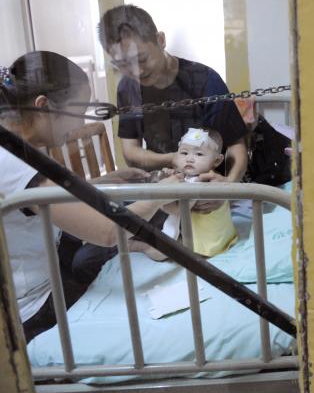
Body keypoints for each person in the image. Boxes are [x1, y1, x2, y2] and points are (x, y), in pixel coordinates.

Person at [0, 51, 182, 341]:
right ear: (44, 106)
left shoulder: (15, 146)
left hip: (52, 268)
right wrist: (164, 193)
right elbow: (107, 231)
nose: (80, 123)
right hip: (35, 309)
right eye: (78, 110)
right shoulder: (13, 163)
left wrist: (99, 183)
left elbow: (41, 203)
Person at [97, 4, 248, 187]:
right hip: (165, 186)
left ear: (160, 40)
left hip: (207, 184)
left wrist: (228, 185)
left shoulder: (206, 80)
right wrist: (172, 159)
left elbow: (236, 146)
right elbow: (130, 151)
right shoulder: (128, 88)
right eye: (123, 64)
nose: (136, 71)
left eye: (142, 59)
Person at [134, 127, 238, 260]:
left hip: (207, 246)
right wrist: (169, 177)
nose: (189, 159)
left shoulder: (204, 182)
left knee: (160, 253)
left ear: (217, 161)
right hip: (218, 236)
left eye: (199, 154)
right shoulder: (194, 177)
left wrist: (160, 189)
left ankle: (139, 246)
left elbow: (176, 209)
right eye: (184, 153)